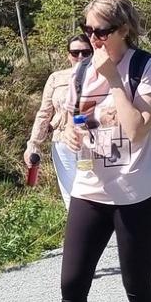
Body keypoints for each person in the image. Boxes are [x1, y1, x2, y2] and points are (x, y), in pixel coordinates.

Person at [25, 0, 151, 302]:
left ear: (123, 28)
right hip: (90, 187)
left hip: (136, 192)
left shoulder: (146, 66)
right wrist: (70, 131)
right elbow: (79, 117)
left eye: (101, 30)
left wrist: (113, 78)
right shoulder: (81, 69)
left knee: (137, 289)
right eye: (87, 30)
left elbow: (138, 129)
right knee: (71, 284)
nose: (93, 38)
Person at [26, 34, 95, 200]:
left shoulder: (100, 77)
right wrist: (33, 144)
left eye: (86, 52)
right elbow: (44, 113)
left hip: (92, 144)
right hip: (62, 143)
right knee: (70, 196)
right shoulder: (56, 78)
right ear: (68, 55)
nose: (80, 57)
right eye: (75, 52)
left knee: (93, 193)